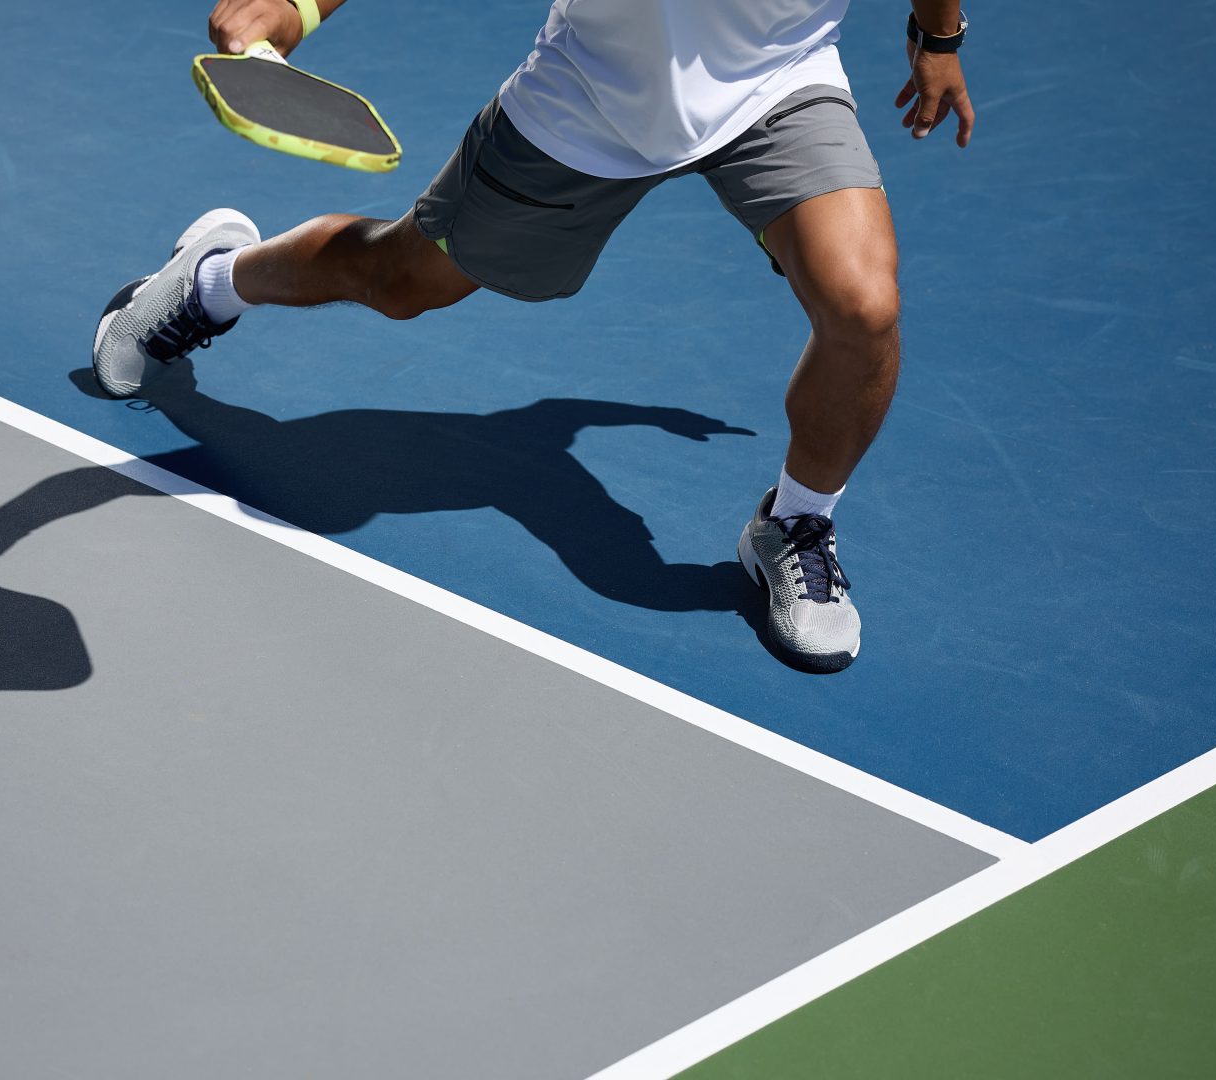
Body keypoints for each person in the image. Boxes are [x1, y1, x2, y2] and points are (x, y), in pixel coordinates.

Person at [93, 0, 974, 673]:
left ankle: (797, 524)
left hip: (778, 83)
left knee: (864, 309)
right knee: (400, 281)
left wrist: (939, 37)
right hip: (590, 101)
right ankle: (210, 281)